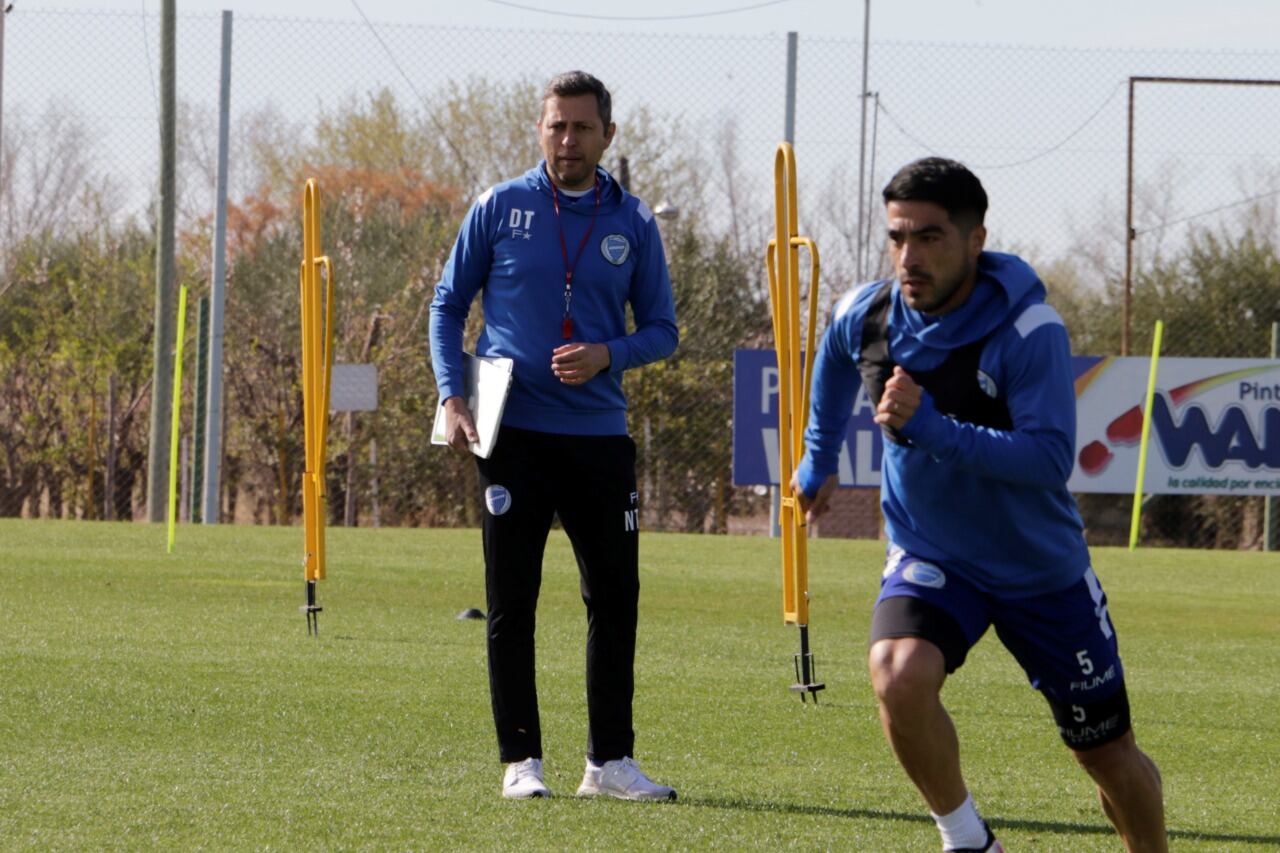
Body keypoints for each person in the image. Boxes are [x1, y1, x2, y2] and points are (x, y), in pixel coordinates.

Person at [792, 158, 1166, 851]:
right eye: (898, 236)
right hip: (935, 554)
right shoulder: (867, 313)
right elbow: (833, 357)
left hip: (1040, 570)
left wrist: (929, 426)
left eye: (930, 237)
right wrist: (818, 459)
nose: (910, 256)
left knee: (1108, 757)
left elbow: (1050, 459)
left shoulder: (1029, 330)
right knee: (898, 674)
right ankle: (967, 839)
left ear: (975, 239)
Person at [429, 70, 679, 802]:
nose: (567, 140)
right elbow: (447, 306)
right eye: (555, 126)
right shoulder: (500, 208)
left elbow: (663, 329)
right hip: (514, 433)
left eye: (581, 127)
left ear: (608, 134)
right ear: (540, 130)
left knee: (616, 596)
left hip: (600, 437)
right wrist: (452, 393)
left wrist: (610, 353)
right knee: (513, 597)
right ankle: (521, 762)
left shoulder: (633, 222)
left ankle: (610, 763)